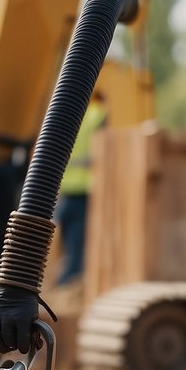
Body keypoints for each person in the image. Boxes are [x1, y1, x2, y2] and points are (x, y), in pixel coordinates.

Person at [54, 92, 106, 286]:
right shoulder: (98, 115)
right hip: (82, 189)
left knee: (69, 240)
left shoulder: (68, 113)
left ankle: (69, 278)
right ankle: (70, 279)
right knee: (76, 240)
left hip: (69, 189)